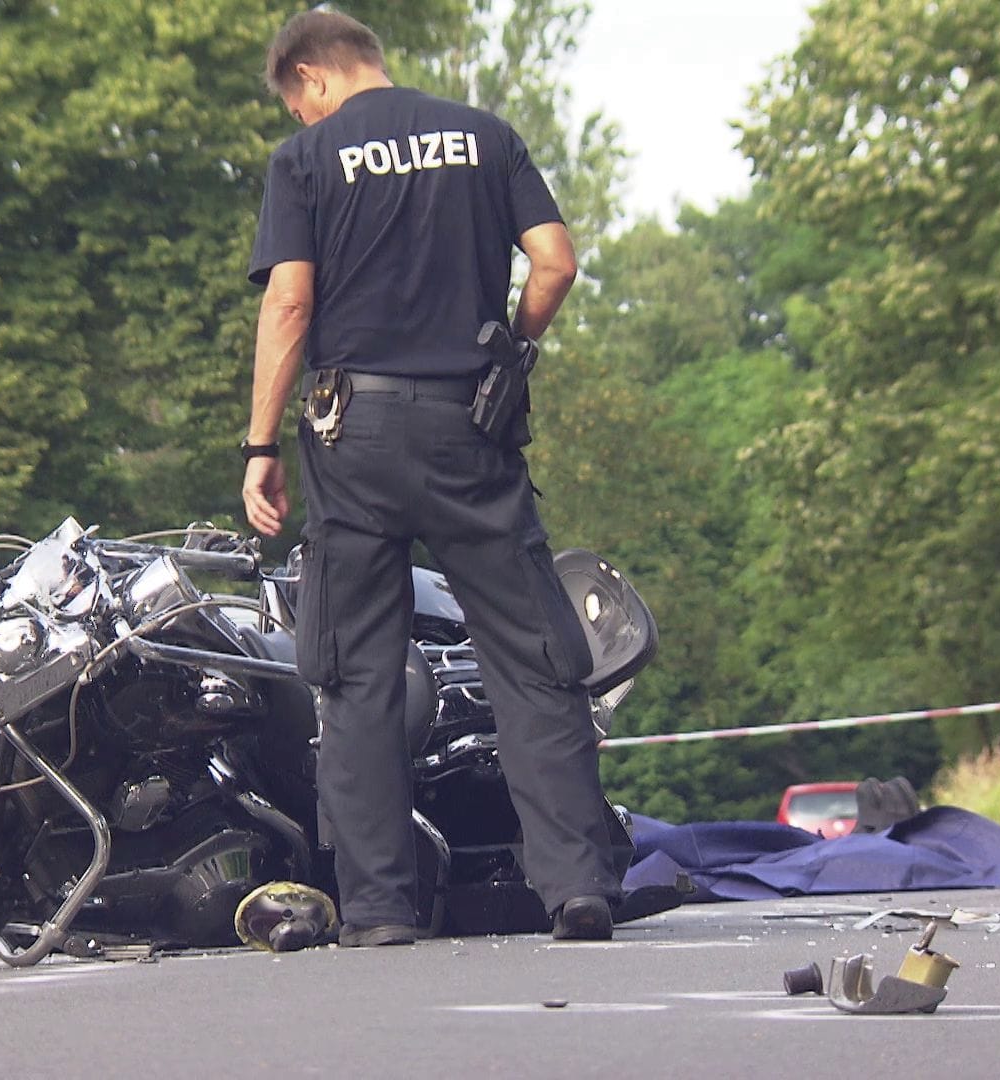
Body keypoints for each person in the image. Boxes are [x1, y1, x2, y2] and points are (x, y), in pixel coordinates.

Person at [240, 9, 622, 946]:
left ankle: (377, 909)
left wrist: (260, 446)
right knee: (531, 658)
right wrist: (513, 347)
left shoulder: (308, 160)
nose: (301, 120)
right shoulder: (486, 136)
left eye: (297, 105)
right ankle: (576, 887)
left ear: (309, 80)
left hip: (353, 433)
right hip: (470, 426)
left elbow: (292, 300)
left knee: (357, 672)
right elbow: (556, 263)